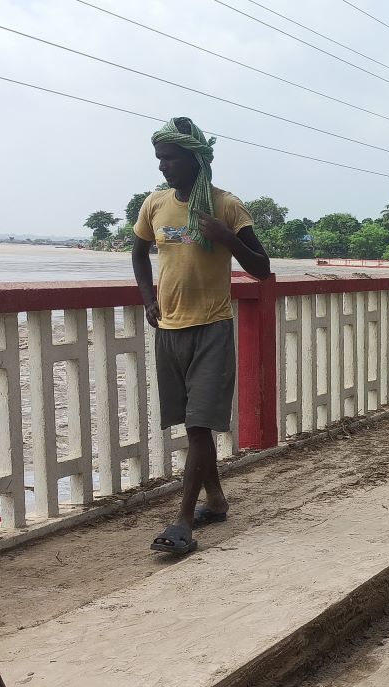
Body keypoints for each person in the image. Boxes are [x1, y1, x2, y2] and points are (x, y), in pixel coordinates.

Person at [132, 117, 270, 555]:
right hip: (169, 329)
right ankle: (216, 499)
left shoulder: (227, 206)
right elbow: (138, 253)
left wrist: (228, 238)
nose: (164, 168)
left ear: (195, 159)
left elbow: (263, 269)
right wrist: (147, 299)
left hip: (211, 327)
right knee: (195, 427)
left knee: (197, 427)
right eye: (160, 160)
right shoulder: (155, 205)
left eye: (171, 159)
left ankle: (183, 521)